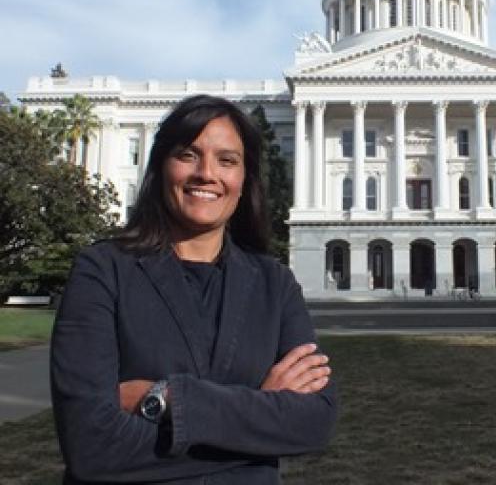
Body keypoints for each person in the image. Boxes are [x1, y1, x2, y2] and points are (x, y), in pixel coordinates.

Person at [51, 95, 336, 484]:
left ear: (244, 180)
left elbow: (313, 422)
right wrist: (262, 417)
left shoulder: (274, 283)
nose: (206, 173)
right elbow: (92, 447)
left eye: (227, 160)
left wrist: (166, 399)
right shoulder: (104, 271)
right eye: (188, 154)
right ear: (161, 166)